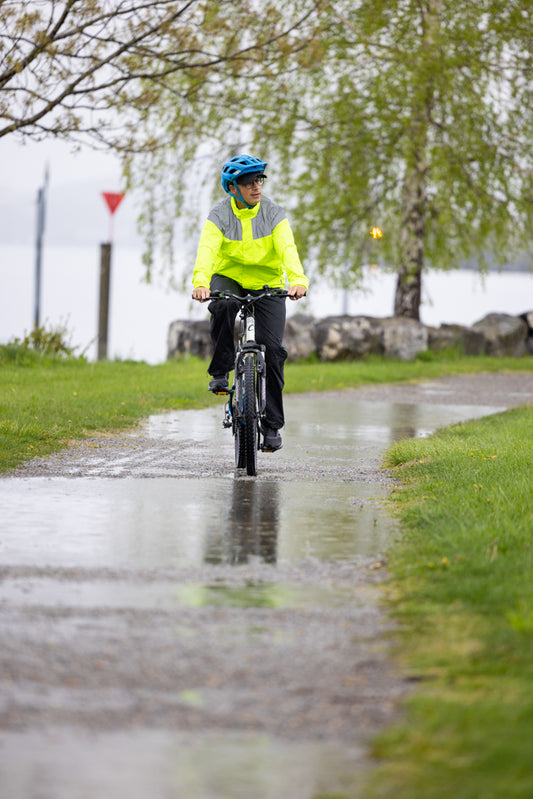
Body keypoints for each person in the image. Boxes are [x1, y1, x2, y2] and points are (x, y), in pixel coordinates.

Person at [191, 153, 308, 452]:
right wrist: (201, 282)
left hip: (268, 282)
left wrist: (298, 280)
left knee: (274, 352)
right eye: (248, 182)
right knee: (222, 306)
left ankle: (271, 428)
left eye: (259, 180)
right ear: (233, 188)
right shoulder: (219, 215)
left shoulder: (273, 213)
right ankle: (220, 371)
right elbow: (206, 250)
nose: (257, 187)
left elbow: (287, 248)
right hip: (228, 278)